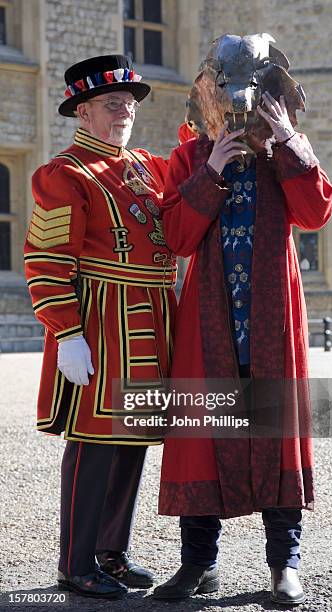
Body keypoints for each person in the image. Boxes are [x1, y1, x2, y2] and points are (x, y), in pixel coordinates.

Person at [154, 89, 332, 604]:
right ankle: (198, 566)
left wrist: (288, 140)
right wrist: (209, 169)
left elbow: (318, 211)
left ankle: (284, 567)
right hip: (211, 320)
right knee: (203, 441)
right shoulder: (189, 156)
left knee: (276, 434)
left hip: (271, 318)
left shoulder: (284, 152)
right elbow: (176, 237)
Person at [24, 54, 177, 600]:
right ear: (82, 112)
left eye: (130, 105)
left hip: (153, 318)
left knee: (133, 441)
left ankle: (111, 553)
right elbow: (45, 259)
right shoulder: (62, 175)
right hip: (103, 321)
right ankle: (75, 562)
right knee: (93, 445)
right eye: (113, 104)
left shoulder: (144, 166)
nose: (125, 113)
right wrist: (66, 332)